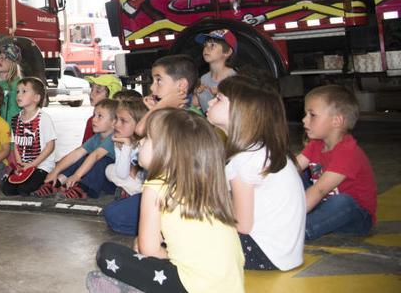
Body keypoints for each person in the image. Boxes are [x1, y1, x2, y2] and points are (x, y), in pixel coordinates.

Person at [92, 108, 244, 293]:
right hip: (230, 285)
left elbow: (148, 250)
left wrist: (153, 252)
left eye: (147, 139)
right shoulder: (205, 182)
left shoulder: (155, 187)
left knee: (108, 254)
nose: (140, 142)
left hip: (191, 286)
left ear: (165, 151)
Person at [207, 76, 305, 270]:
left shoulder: (244, 160)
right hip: (282, 254)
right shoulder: (262, 151)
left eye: (218, 99)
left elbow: (242, 225)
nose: (210, 101)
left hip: (262, 253)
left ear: (242, 112)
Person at [295, 85, 377, 240]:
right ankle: (295, 221)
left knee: (342, 202)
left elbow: (319, 190)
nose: (304, 120)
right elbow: (290, 167)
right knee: (293, 175)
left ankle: (298, 231)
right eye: (305, 114)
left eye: (312, 115)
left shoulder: (348, 153)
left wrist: (288, 219)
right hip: (323, 204)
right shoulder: (316, 145)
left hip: (355, 217)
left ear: (337, 121)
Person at [36, 99, 118, 199]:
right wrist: (55, 171)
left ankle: (81, 188)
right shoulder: (96, 138)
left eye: (99, 116)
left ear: (114, 122)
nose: (94, 119)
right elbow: (76, 154)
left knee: (102, 160)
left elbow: (96, 155)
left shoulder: (114, 138)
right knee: (82, 157)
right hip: (95, 178)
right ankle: (58, 183)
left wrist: (77, 175)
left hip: (111, 184)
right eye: (94, 115)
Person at [2, 77, 57, 196]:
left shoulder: (44, 118)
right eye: (17, 91)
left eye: (24, 91)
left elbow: (50, 146)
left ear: (36, 98)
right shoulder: (16, 119)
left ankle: (48, 183)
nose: (19, 95)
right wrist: (19, 163)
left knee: (24, 190)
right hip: (24, 165)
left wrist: (33, 165)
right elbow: (16, 144)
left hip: (41, 165)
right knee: (7, 190)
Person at [102, 99, 149, 235]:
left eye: (123, 121)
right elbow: (122, 173)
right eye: (116, 119)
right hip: (135, 183)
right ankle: (133, 196)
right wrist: (126, 147)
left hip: (148, 188)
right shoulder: (122, 140)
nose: (116, 124)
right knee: (109, 169)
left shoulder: (146, 143)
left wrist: (128, 148)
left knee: (112, 213)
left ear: (139, 124)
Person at [194, 29, 237, 113]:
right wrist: (196, 95)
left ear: (228, 52)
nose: (206, 49)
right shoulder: (204, 79)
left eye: (213, 45)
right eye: (205, 45)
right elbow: (201, 108)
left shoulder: (234, 80)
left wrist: (220, 97)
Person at [0, 41, 23, 124]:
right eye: (0, 56)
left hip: (12, 132)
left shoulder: (19, 85)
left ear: (13, 65)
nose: (1, 59)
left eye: (7, 58)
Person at [81, 74, 122, 143]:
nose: (91, 94)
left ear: (110, 96)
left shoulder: (92, 121)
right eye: (92, 89)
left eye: (98, 91)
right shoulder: (92, 120)